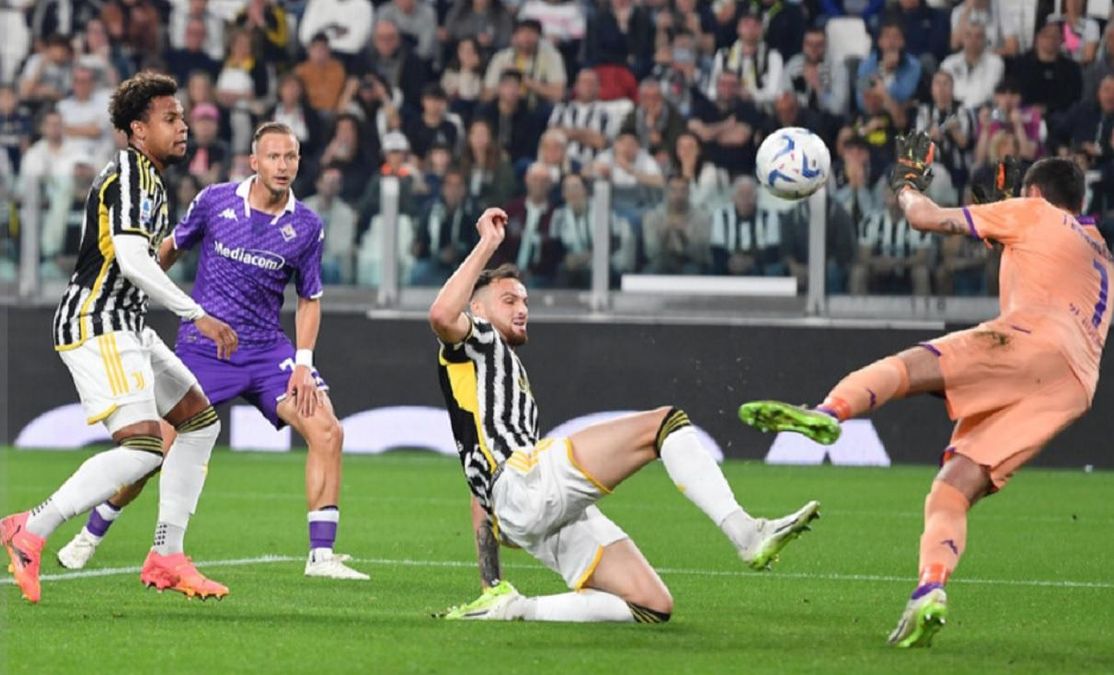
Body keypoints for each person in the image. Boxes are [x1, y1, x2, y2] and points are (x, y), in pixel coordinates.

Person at [739, 132, 1111, 647]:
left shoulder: (1032, 213)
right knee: (952, 487)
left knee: (911, 367)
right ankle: (929, 590)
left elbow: (925, 218)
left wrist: (907, 183)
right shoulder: (1099, 249)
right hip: (1074, 384)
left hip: (1032, 338)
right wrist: (998, 222)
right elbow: (1038, 261)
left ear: (1035, 194)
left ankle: (830, 411)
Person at [429, 210, 820, 622]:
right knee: (665, 424)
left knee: (651, 605)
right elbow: (440, 315)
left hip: (520, 511)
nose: (522, 308)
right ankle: (745, 533)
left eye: (525, 300)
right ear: (476, 308)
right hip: (527, 483)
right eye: (509, 301)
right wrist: (488, 244)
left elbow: (481, 491)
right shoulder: (479, 339)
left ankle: (516, 608)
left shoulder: (489, 382)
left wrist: (491, 585)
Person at [55, 122, 369, 581]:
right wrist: (129, 290)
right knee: (152, 450)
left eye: (291, 157)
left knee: (327, 430)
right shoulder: (215, 201)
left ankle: (321, 557)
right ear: (255, 161)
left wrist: (303, 364)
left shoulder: (306, 226)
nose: (283, 166)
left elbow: (309, 298)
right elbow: (169, 249)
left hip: (266, 352)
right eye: (274, 157)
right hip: (204, 349)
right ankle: (90, 535)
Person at [1, 72, 239, 604]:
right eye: (169, 119)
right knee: (143, 447)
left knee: (199, 422)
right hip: (97, 320)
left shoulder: (150, 179)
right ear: (138, 130)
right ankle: (30, 529)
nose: (182, 127)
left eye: (182, 117)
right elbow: (132, 260)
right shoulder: (129, 174)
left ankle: (167, 555)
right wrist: (195, 313)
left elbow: (137, 259)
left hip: (127, 323)